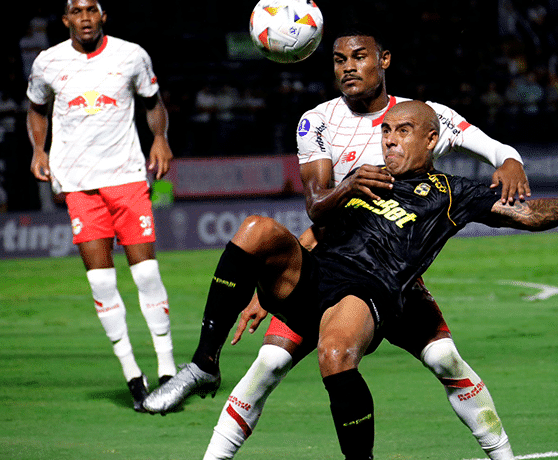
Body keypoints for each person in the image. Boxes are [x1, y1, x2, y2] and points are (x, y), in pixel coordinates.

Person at [146, 27, 531, 460]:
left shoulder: (423, 115)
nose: (348, 67)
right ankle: (207, 413)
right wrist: (269, 282)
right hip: (325, 268)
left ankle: (505, 457)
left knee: (445, 359)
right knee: (268, 365)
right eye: (338, 60)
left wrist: (512, 160)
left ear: (384, 60)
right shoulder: (318, 121)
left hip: (392, 278)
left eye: (359, 57)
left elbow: (495, 150)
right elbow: (319, 208)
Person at [202, 101, 558, 459]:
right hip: (318, 276)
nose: (389, 139)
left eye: (403, 131)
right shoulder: (365, 176)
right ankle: (203, 364)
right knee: (256, 233)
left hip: (370, 291)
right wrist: (266, 277)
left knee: (352, 355)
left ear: (431, 140)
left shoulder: (450, 191)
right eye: (386, 131)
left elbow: (526, 214)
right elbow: (318, 228)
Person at [26, 0, 176, 411]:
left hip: (126, 178)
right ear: (66, 19)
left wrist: (160, 138)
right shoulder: (47, 62)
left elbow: (153, 103)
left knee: (146, 274)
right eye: (77, 11)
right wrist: (38, 149)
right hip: (78, 184)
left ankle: (167, 371)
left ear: (103, 15)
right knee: (101, 283)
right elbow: (37, 109)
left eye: (91, 9)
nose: (85, 17)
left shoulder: (131, 54)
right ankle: (133, 375)